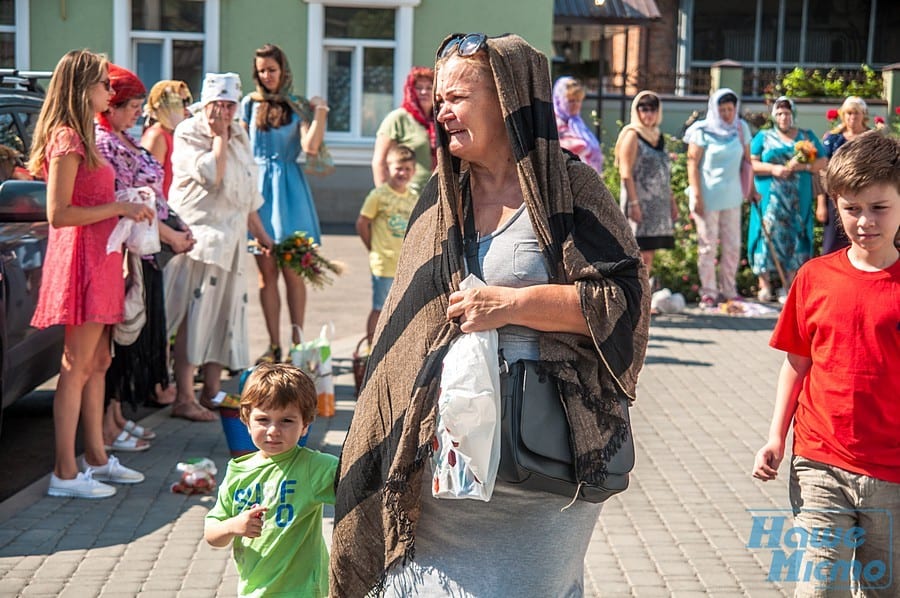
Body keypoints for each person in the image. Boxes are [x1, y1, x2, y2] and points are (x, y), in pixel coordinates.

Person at [331, 33, 650, 597]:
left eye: (457, 97)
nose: (442, 111)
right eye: (440, 99)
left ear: (507, 98)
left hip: (539, 463)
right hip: (439, 467)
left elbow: (623, 303)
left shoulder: (567, 191)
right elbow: (407, 327)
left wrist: (510, 304)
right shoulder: (440, 197)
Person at [752, 131, 900, 596]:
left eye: (879, 208)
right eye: (852, 208)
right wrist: (776, 436)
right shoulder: (814, 278)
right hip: (820, 459)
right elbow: (797, 363)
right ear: (835, 204)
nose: (864, 222)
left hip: (892, 470)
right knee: (820, 587)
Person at [27, 50, 155, 498]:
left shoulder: (83, 136)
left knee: (99, 362)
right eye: (103, 83)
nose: (109, 89)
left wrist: (123, 203)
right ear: (83, 89)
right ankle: (65, 473)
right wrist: (120, 205)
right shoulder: (67, 138)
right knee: (76, 366)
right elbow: (58, 213)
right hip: (80, 257)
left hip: (100, 257)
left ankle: (96, 458)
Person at [95, 64, 196, 450]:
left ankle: (116, 417)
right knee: (119, 344)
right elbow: (126, 199)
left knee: (133, 339)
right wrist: (169, 232)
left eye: (141, 104)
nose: (140, 111)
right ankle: (107, 423)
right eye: (133, 104)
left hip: (145, 251)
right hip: (126, 253)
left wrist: (176, 226)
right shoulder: (105, 142)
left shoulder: (122, 137)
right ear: (113, 105)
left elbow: (153, 197)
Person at [164, 72, 273, 422]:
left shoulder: (240, 133)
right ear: (206, 105)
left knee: (225, 318)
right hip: (201, 241)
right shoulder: (189, 131)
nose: (225, 113)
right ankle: (185, 395)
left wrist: (262, 233)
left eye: (230, 106)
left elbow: (247, 194)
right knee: (196, 319)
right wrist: (217, 137)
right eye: (218, 105)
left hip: (233, 241)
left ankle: (211, 391)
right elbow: (211, 174)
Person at [205, 362, 338, 597]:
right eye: (263, 420)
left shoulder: (314, 467)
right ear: (246, 421)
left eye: (287, 421)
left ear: (305, 425)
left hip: (304, 592)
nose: (273, 430)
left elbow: (363, 485)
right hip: (253, 592)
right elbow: (212, 534)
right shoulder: (238, 471)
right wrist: (233, 526)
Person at [241, 43, 329, 364]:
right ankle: (273, 344)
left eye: (272, 70)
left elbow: (310, 146)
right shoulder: (248, 105)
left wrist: (319, 111)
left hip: (290, 193)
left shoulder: (298, 105)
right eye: (262, 71)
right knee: (266, 276)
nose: (267, 76)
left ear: (283, 70)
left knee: (294, 274)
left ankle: (297, 342)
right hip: (259, 194)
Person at [748, 96, 827, 302]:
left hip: (797, 198)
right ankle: (764, 284)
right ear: (775, 116)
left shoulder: (805, 136)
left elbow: (823, 160)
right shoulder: (763, 137)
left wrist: (803, 167)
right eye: (780, 113)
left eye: (788, 113)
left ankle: (788, 284)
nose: (784, 117)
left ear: (793, 115)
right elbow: (751, 163)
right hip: (770, 198)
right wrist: (773, 168)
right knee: (767, 234)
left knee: (796, 233)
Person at [684, 88, 753, 306]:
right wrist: (696, 194)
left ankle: (729, 290)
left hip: (732, 197)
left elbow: (748, 161)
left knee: (732, 246)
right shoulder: (702, 131)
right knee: (708, 246)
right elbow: (692, 163)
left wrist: (751, 189)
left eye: (730, 109)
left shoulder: (741, 129)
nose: (726, 114)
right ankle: (709, 292)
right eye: (721, 109)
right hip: (707, 197)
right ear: (714, 109)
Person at [355, 144, 418, 345]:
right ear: (388, 169)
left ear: (414, 171)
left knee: (402, 308)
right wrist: (372, 248)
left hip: (404, 265)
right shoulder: (379, 195)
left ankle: (394, 347)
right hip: (383, 264)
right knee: (380, 307)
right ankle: (370, 349)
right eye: (398, 168)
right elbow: (362, 223)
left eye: (408, 169)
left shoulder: (414, 197)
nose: (403, 173)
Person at [615, 90, 677, 284]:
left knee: (650, 254)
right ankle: (638, 298)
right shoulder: (632, 135)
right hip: (639, 203)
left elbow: (664, 174)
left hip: (657, 207)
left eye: (653, 109)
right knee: (639, 254)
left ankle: (644, 298)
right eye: (644, 109)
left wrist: (672, 202)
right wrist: (634, 203)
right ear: (637, 111)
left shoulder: (659, 137)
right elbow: (625, 172)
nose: (648, 114)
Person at [818, 96, 870, 255]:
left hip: (866, 198)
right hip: (837, 199)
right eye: (848, 113)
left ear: (863, 115)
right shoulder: (833, 139)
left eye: (856, 113)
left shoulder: (871, 138)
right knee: (832, 246)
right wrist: (821, 203)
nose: (852, 117)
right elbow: (823, 172)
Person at [371, 66, 435, 192]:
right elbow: (379, 162)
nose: (424, 92)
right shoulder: (398, 118)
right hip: (407, 195)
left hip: (435, 194)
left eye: (429, 88)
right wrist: (385, 197)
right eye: (419, 88)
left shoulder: (439, 120)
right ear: (410, 90)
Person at [141, 79, 193, 199]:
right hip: (161, 212)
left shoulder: (174, 134)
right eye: (180, 102)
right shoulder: (156, 136)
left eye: (188, 101)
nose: (187, 109)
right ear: (165, 104)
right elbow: (149, 184)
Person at [553, 76, 603, 173]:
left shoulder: (577, 124)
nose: (576, 104)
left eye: (578, 100)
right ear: (559, 101)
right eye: (571, 100)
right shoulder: (553, 123)